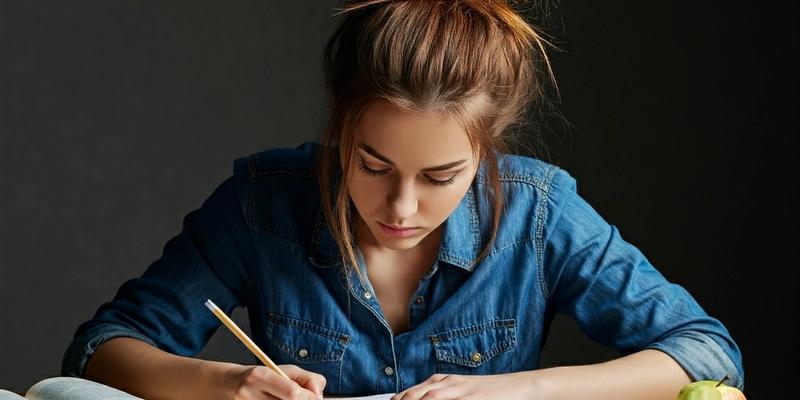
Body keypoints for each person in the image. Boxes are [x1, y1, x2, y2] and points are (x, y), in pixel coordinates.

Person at [61, 1, 744, 399]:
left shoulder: (540, 213)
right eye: (372, 165)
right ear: (340, 128)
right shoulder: (263, 203)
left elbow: (707, 352)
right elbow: (99, 351)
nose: (402, 208)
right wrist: (230, 385)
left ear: (486, 150)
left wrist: (510, 392)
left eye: (443, 176)